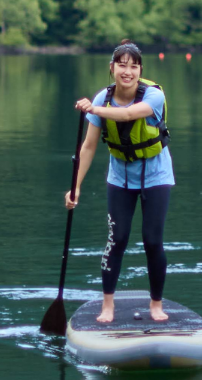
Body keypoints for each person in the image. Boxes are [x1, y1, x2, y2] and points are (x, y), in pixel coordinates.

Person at [66, 40, 174, 323]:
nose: (127, 71)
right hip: (119, 177)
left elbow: (127, 114)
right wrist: (75, 186)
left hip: (156, 176)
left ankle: (156, 305)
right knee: (117, 239)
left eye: (134, 66)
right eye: (122, 65)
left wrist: (93, 110)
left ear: (140, 70)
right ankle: (108, 306)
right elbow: (88, 147)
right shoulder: (102, 98)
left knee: (153, 241)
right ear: (112, 68)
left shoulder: (153, 96)